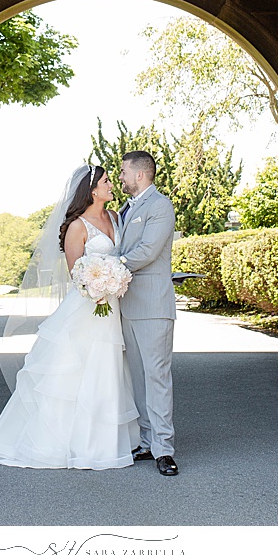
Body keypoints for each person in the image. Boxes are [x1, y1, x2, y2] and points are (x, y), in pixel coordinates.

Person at [0, 164, 139, 469]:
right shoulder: (77, 226)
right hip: (88, 307)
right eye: (107, 181)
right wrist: (100, 286)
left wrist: (114, 281)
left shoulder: (114, 217)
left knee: (108, 371)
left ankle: (105, 443)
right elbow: (77, 274)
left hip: (114, 307)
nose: (112, 185)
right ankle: (65, 443)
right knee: (76, 372)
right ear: (92, 189)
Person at [115, 150, 180, 476]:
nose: (121, 177)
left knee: (157, 378)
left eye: (124, 171)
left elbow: (147, 252)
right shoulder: (126, 209)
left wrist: (109, 266)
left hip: (153, 306)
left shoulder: (159, 206)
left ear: (140, 174)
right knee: (137, 377)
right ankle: (145, 440)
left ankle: (164, 450)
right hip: (126, 306)